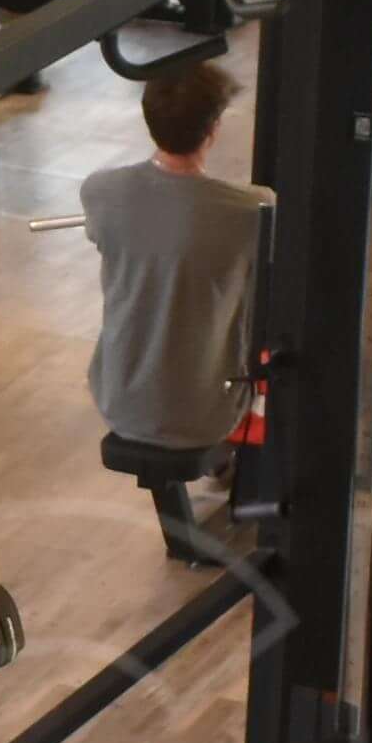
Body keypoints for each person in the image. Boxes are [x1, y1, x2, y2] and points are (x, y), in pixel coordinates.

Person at [79, 49, 275, 560]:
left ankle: (224, 474)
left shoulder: (100, 191)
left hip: (119, 397)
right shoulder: (255, 209)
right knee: (279, 354)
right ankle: (255, 491)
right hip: (206, 412)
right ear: (213, 130)